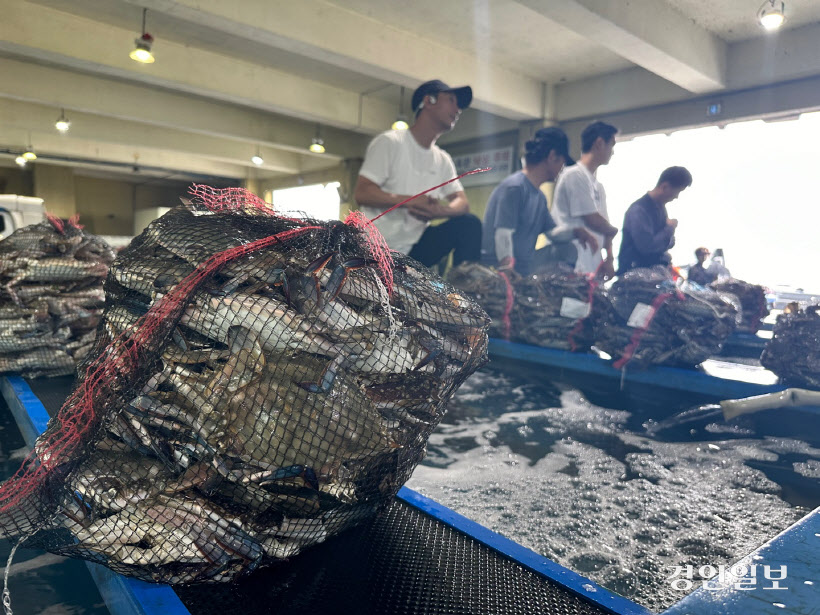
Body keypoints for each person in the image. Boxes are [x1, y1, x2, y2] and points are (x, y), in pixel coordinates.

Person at [353, 79, 481, 268]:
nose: (458, 110)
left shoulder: (442, 159)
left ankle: (466, 282)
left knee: (468, 224)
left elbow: (462, 202)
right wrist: (410, 200)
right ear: (429, 101)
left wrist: (439, 211)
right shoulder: (390, 142)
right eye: (451, 100)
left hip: (415, 248)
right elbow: (362, 193)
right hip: (376, 246)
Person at [480, 127, 597, 275]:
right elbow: (503, 234)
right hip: (495, 267)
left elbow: (553, 234)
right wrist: (507, 271)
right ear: (552, 156)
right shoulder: (515, 187)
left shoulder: (540, 197)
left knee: (568, 250)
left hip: (524, 266)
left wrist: (577, 232)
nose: (562, 168)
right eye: (562, 162)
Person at [552, 121, 619, 278]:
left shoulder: (598, 186)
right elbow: (593, 220)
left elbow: (605, 227)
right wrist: (613, 230)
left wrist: (609, 258)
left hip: (592, 262)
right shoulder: (574, 175)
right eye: (611, 145)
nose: (612, 152)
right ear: (599, 143)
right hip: (572, 262)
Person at [617, 166, 693, 275]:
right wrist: (669, 228)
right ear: (664, 187)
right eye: (677, 192)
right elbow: (646, 246)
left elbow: (669, 243)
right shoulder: (639, 210)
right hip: (636, 274)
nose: (676, 197)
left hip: (653, 271)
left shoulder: (660, 208)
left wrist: (666, 236)